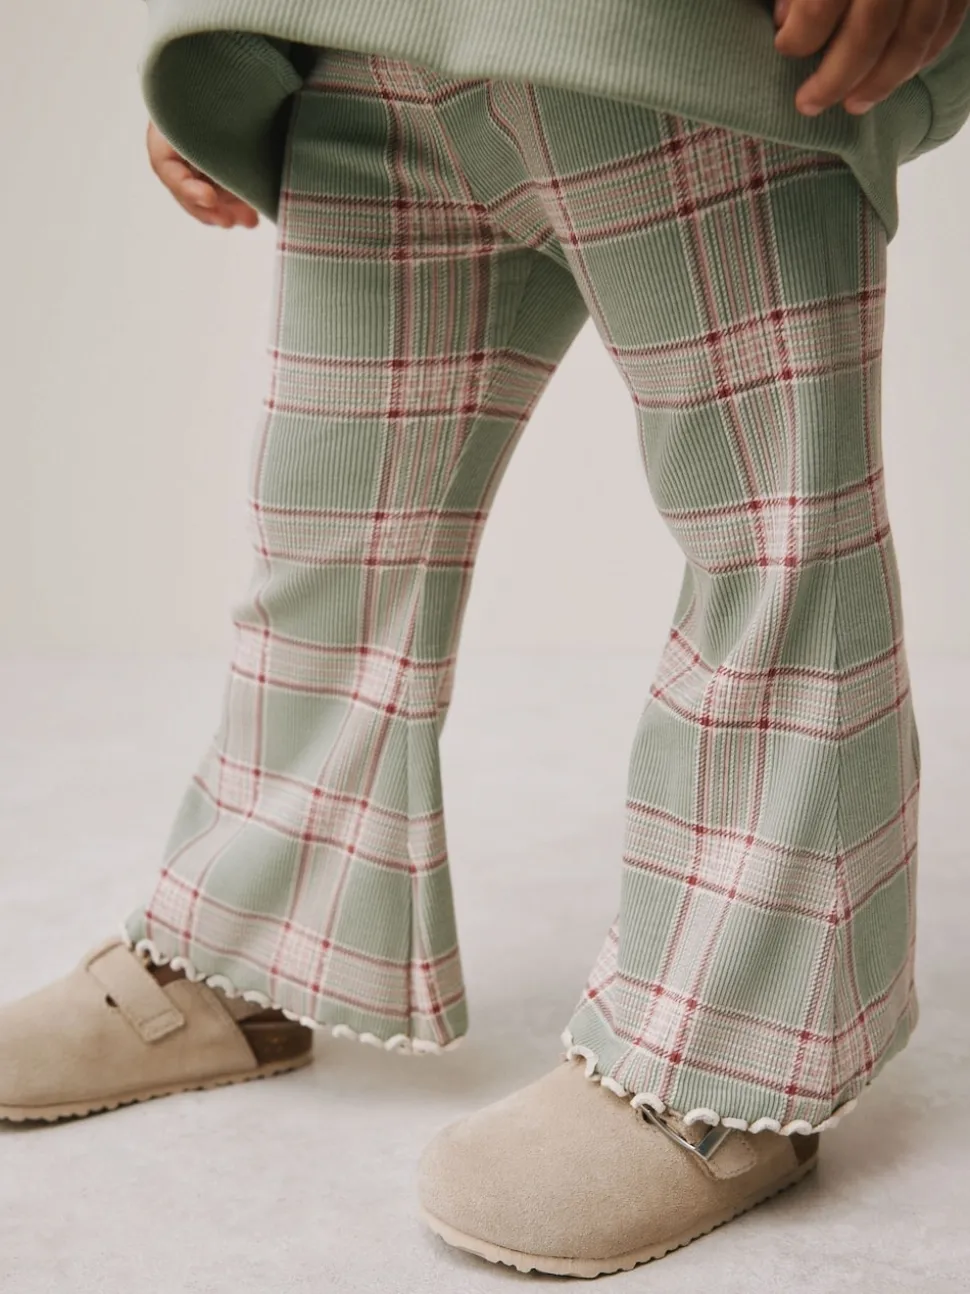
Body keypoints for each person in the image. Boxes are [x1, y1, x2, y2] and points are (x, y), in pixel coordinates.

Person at [2, 0, 968, 1279]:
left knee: (772, 540)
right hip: (357, 36)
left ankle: (730, 1060)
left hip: (692, 36)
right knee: (327, 535)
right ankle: (241, 938)